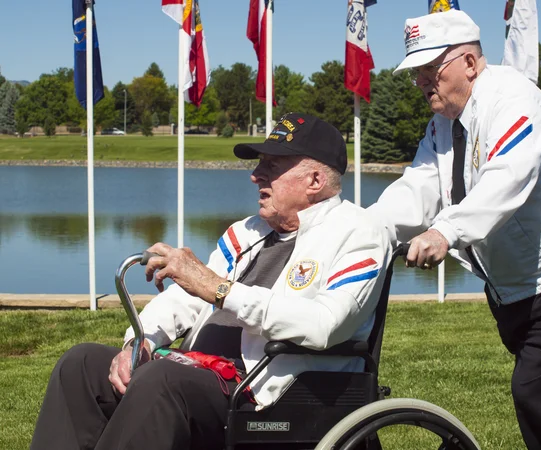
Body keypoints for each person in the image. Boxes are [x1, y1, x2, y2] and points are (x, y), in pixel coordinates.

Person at [31, 112, 391, 450]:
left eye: (272, 165)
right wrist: (139, 342)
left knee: (161, 382)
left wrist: (219, 289)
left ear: (314, 180)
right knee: (81, 364)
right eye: (258, 163)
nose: (256, 175)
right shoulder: (246, 231)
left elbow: (324, 325)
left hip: (271, 391)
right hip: (202, 372)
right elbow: (185, 300)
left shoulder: (358, 233)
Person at [368, 9, 541, 450]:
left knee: (537, 391)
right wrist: (362, 229)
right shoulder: (441, 124)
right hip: (515, 290)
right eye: (416, 72)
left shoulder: (514, 99)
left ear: (470, 64)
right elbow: (419, 185)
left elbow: (505, 180)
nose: (421, 82)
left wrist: (443, 232)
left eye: (430, 70)